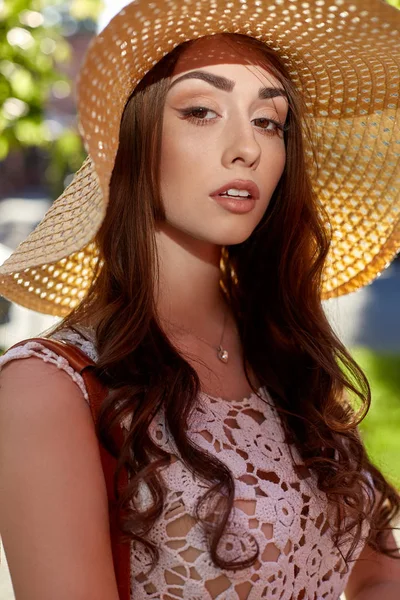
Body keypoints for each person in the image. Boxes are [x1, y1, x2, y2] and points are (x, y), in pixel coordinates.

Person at [0, 0, 400, 598]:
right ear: (132, 140)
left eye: (269, 121)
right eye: (201, 111)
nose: (248, 148)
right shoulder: (47, 390)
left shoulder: (286, 354)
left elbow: (378, 573)